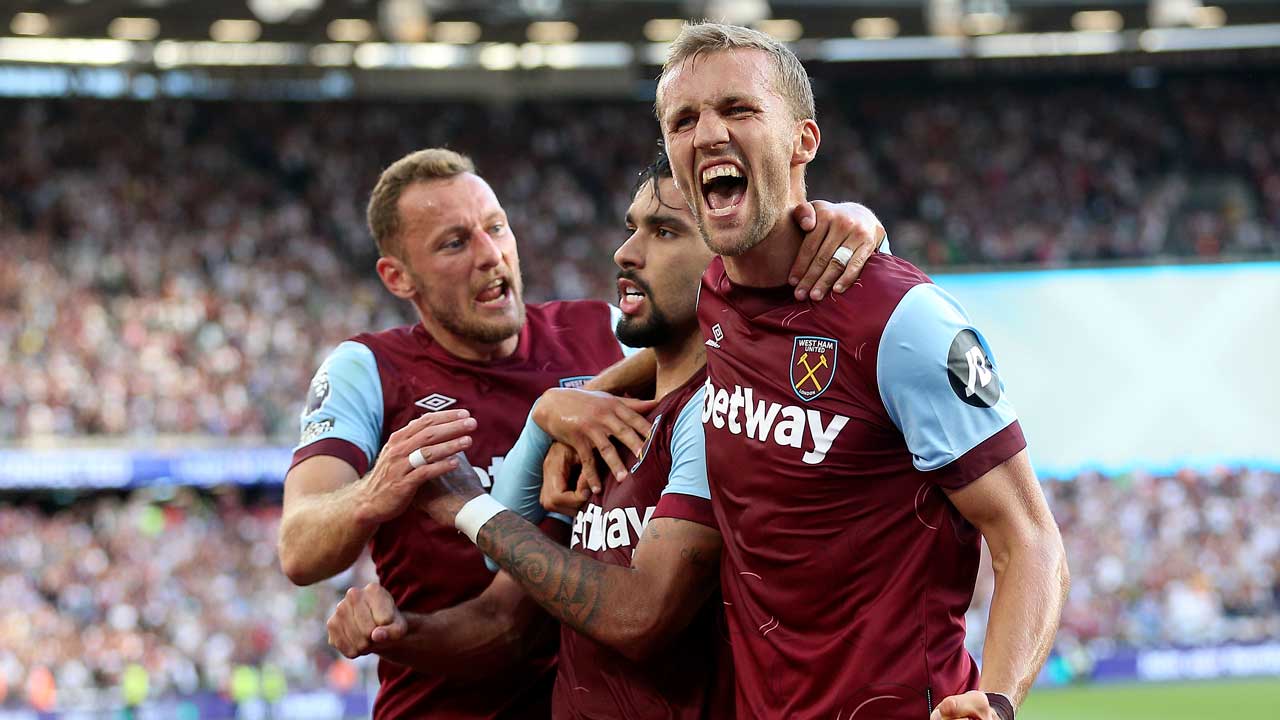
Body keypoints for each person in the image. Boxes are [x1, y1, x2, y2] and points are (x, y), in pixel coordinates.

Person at [282, 147, 884, 718]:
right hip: (449, 697)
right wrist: (373, 493)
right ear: (398, 277)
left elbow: (709, 330)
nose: (490, 255)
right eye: (454, 243)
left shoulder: (600, 330)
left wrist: (840, 225)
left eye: (496, 228)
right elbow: (300, 549)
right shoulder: (369, 369)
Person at [653, 22, 1071, 720]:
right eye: (683, 120)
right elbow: (664, 364)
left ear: (803, 142)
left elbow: (1030, 539)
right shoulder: (710, 298)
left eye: (738, 109)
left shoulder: (904, 322)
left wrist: (995, 703)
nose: (706, 134)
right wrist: (567, 406)